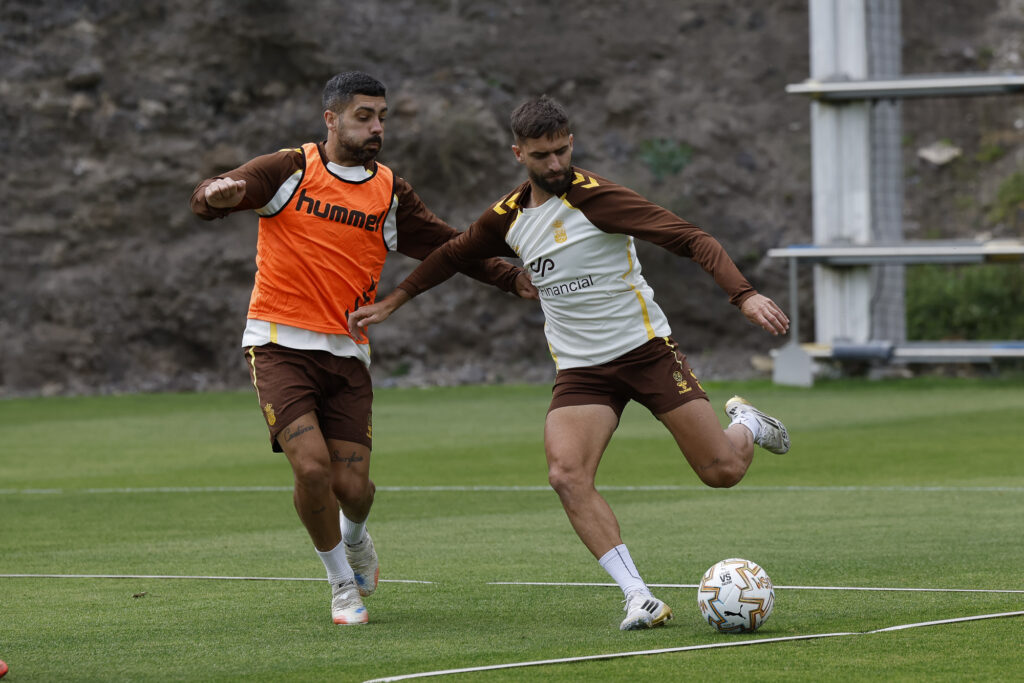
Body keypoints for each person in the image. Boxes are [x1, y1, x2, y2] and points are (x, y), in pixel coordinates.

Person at [348, 95, 791, 631]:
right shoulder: (508, 218)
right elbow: (453, 253)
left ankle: (745, 424)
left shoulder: (600, 200)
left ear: (571, 143)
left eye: (561, 151)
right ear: (519, 154)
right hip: (583, 370)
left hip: (647, 352)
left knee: (721, 471)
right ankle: (639, 597)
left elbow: (691, 238)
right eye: (542, 156)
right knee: (566, 474)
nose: (555, 165)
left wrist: (743, 295)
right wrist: (396, 300)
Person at [189, 72, 537, 626]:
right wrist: (213, 196)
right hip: (278, 343)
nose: (376, 127)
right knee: (312, 469)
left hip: (347, 355)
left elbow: (449, 245)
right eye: (363, 116)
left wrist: (505, 275)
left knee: (353, 487)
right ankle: (340, 588)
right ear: (331, 119)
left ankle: (355, 538)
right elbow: (216, 195)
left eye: (381, 117)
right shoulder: (289, 169)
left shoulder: (389, 191)